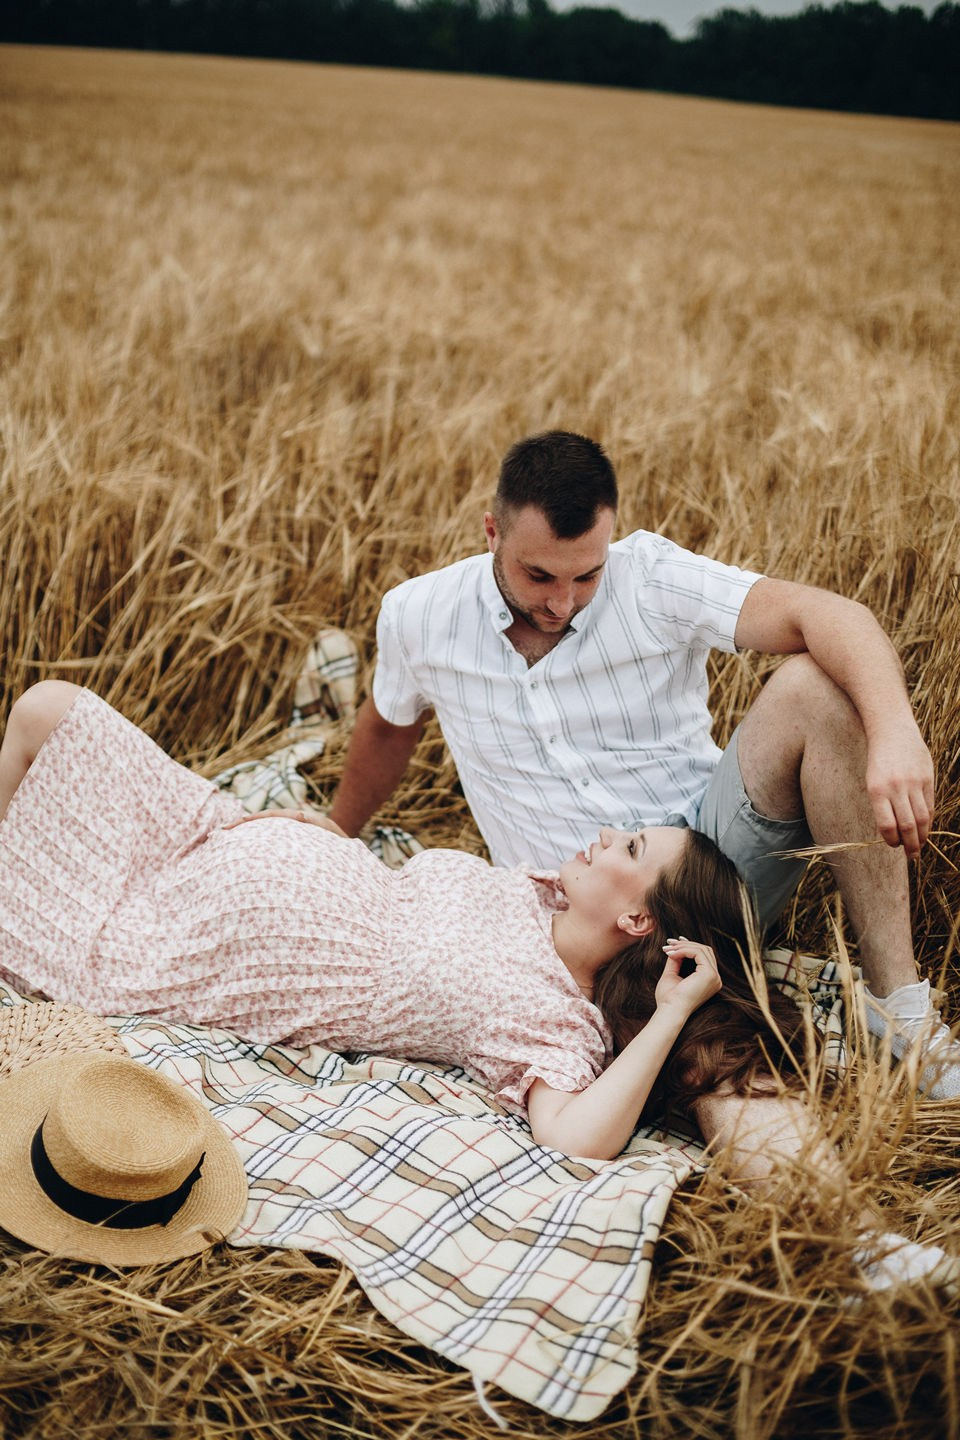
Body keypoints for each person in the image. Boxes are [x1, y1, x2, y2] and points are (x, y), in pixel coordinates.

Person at [0, 681, 953, 1291]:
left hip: (162, 938)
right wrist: (314, 834)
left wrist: (670, 1016)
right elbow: (387, 879)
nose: (604, 837)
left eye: (627, 848)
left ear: (637, 922)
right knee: (47, 709)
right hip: (209, 832)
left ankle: (858, 1241)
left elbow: (579, 1139)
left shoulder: (549, 1016)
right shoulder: (533, 888)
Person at [327, 430, 960, 1100]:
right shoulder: (418, 614)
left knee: (814, 686)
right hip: (579, 925)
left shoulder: (651, 578)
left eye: (586, 575)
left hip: (711, 865)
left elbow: (826, 613)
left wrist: (894, 730)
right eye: (538, 575)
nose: (562, 602)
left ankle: (903, 1012)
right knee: (703, 1075)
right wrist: (336, 834)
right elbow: (391, 726)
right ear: (491, 532)